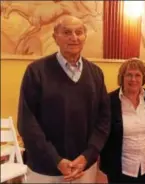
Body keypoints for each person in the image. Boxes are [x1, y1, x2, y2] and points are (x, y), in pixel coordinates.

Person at [17, 15, 110, 183]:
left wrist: (87, 156)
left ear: (85, 37)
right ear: (55, 37)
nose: (74, 37)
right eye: (67, 32)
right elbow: (27, 123)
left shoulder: (96, 73)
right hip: (44, 171)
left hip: (84, 169)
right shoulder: (36, 71)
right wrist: (56, 160)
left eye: (79, 32)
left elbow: (104, 120)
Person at [100, 58, 145, 183]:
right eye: (129, 75)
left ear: (143, 78)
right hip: (120, 170)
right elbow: (102, 133)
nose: (133, 79)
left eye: (137, 75)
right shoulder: (109, 101)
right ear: (122, 77)